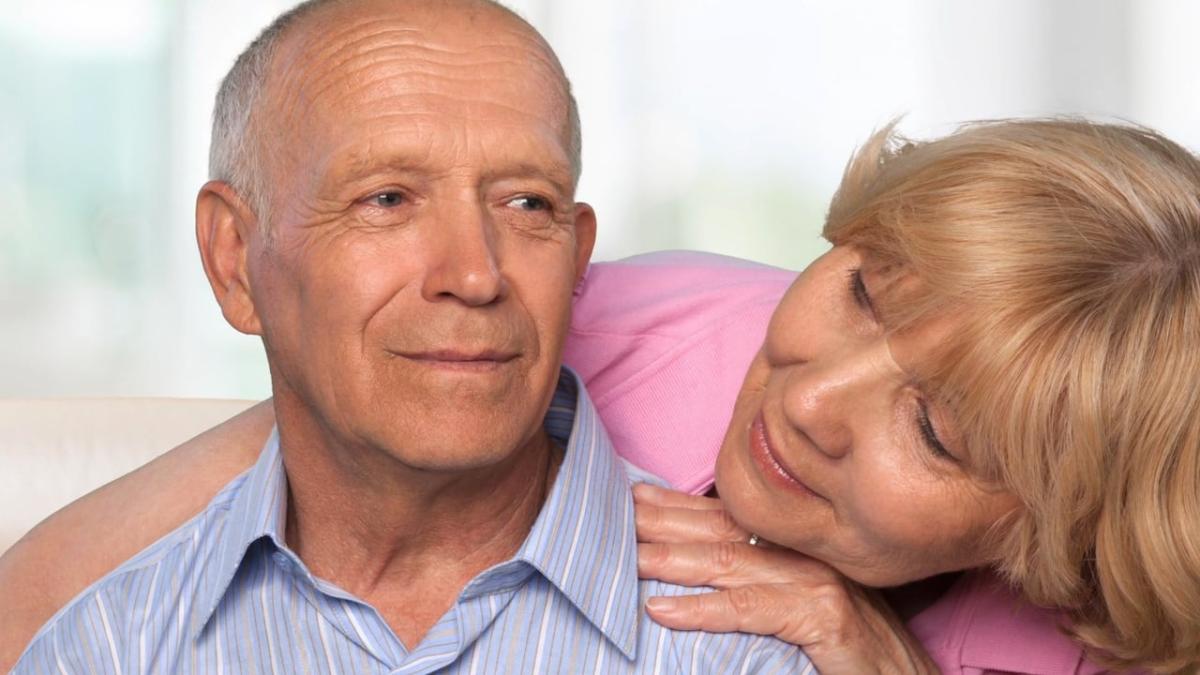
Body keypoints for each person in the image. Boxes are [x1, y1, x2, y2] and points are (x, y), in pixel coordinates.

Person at [9, 119, 1199, 674]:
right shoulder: (640, 321)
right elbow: (46, 611)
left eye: (936, 431)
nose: (810, 400)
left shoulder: (1084, 644)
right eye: (863, 292)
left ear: (1056, 530)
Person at [4, 0, 816, 672]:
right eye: (387, 199)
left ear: (577, 255)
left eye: (527, 203)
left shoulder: (754, 644)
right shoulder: (107, 645)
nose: (474, 273)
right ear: (234, 260)